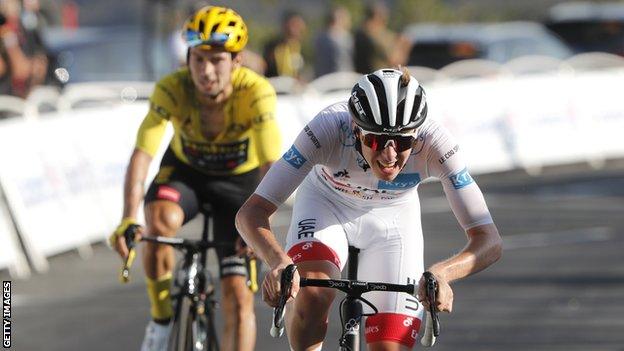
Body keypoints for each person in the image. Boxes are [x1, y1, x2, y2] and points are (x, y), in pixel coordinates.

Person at [236, 67, 503, 350]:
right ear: (355, 129)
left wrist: (443, 273)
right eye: (375, 140)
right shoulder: (327, 128)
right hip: (326, 206)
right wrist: (278, 261)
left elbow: (489, 240)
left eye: (402, 142)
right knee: (312, 293)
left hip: (393, 220)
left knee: (389, 346)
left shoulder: (436, 144)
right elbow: (251, 212)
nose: (389, 155)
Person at [108, 6, 281, 351]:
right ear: (187, 57)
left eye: (216, 60)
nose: (205, 71)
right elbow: (142, 153)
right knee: (157, 224)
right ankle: (160, 323)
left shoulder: (256, 92)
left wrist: (261, 229)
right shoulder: (172, 88)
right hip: (186, 174)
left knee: (237, 295)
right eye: (198, 59)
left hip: (239, 185)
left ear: (236, 60)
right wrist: (128, 216)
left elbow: (271, 165)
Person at [353, 1, 410, 74]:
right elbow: (394, 60)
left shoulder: (359, 32)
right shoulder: (374, 35)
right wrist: (404, 46)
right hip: (378, 78)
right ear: (378, 17)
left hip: (362, 78)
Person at [263, 9, 306, 78]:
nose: (297, 29)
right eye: (294, 25)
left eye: (299, 25)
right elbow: (266, 68)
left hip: (291, 87)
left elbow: (297, 71)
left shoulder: (299, 48)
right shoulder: (274, 46)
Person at [313, 6, 354, 78]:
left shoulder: (319, 36)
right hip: (340, 80)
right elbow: (342, 63)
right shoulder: (343, 38)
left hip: (322, 79)